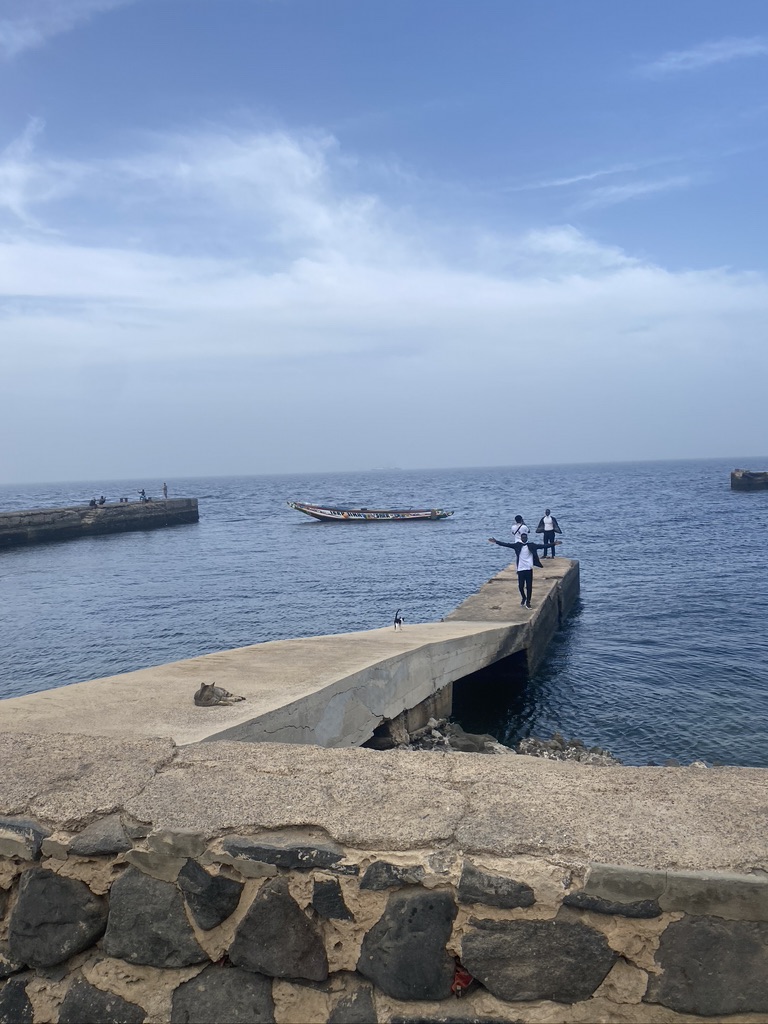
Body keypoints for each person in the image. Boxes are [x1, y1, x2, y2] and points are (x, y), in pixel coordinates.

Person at [488, 530, 561, 608]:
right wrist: (496, 541)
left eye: (525, 537)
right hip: (520, 568)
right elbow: (506, 544)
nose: (524, 539)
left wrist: (553, 544)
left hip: (529, 568)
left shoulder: (532, 545)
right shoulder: (517, 545)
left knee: (529, 586)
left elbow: (543, 546)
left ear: (527, 538)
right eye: (523, 538)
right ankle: (524, 597)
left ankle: (528, 602)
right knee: (520, 586)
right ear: (521, 538)